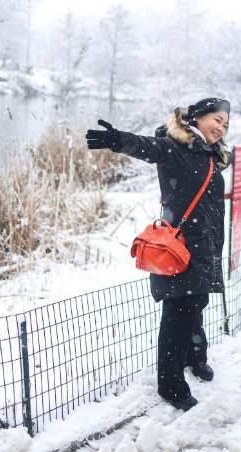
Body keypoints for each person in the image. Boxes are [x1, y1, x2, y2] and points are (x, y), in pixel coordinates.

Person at [85, 97, 230, 411]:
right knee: (178, 313)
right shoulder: (177, 148)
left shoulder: (208, 155)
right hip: (179, 247)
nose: (221, 128)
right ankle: (170, 385)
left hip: (203, 246)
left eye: (225, 124)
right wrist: (118, 140)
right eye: (216, 120)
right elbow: (149, 148)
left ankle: (195, 355)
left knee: (196, 302)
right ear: (198, 118)